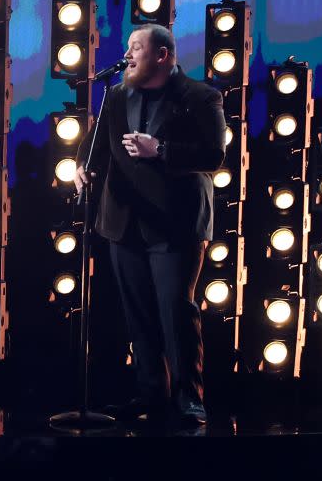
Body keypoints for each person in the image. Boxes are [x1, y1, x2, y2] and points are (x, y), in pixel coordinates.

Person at [75, 24, 225, 428]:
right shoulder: (117, 94)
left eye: (136, 47)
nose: (127, 54)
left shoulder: (200, 97)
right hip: (124, 222)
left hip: (175, 224)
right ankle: (150, 394)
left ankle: (188, 398)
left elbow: (214, 156)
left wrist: (160, 149)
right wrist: (80, 168)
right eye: (127, 47)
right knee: (138, 314)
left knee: (176, 312)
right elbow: (93, 144)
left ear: (162, 55)